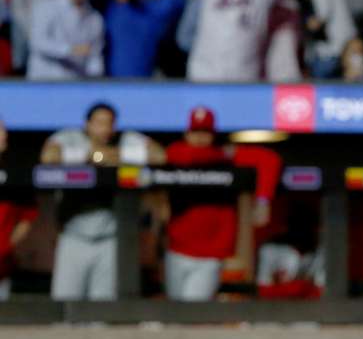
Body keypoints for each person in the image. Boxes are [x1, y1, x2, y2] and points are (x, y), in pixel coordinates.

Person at [41, 103, 164, 301]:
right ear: (87, 124)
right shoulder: (70, 137)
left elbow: (159, 156)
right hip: (74, 236)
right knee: (64, 302)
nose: (105, 129)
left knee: (102, 307)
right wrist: (88, 156)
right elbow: (48, 156)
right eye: (99, 123)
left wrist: (118, 155)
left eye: (109, 123)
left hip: (109, 239)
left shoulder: (126, 139)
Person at [163, 106, 281, 301]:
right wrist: (222, 154)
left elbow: (270, 159)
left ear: (213, 134)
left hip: (211, 254)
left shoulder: (229, 157)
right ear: (187, 133)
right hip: (177, 250)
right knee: (174, 312)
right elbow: (184, 156)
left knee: (193, 311)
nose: (200, 138)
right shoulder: (181, 152)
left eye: (205, 132)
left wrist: (262, 200)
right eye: (195, 132)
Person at [26, 0, 105, 80]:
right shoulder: (46, 7)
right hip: (43, 83)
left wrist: (97, 80)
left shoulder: (95, 18)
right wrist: (69, 50)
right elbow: (37, 41)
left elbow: (95, 55)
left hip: (75, 85)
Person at [0, 119, 37, 301]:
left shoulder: (15, 172)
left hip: (2, 262)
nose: (4, 135)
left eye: (3, 130)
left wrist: (7, 245)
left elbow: (28, 216)